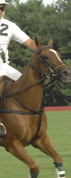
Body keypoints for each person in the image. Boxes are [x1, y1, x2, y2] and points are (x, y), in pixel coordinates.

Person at [0, 0, 37, 138]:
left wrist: (47, 51)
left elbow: (29, 43)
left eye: (2, 8)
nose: (0, 11)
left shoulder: (10, 26)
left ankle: (30, 120)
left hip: (4, 67)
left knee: (27, 85)